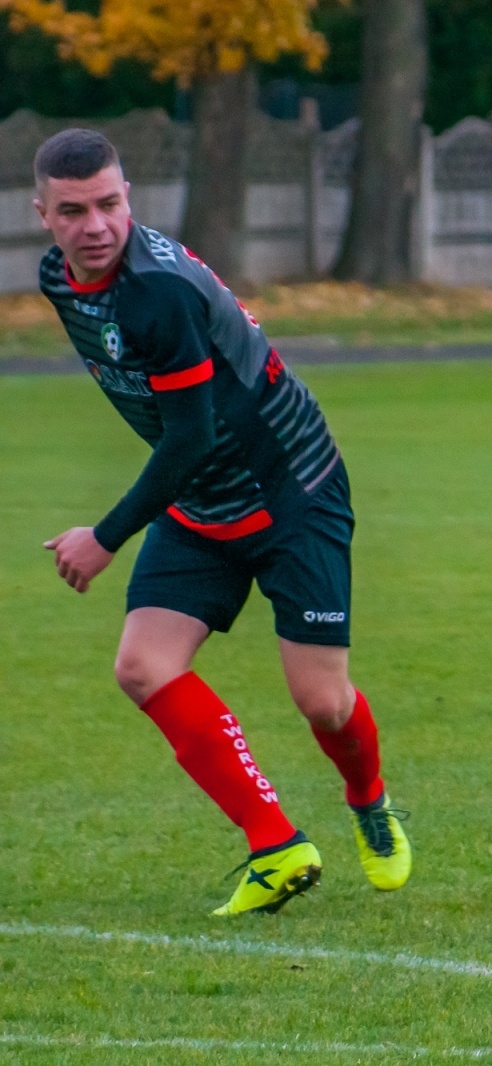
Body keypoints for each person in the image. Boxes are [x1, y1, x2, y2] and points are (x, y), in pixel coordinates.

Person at [31, 128, 412, 916]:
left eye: (109, 203)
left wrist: (104, 537)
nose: (96, 224)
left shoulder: (155, 292)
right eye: (74, 210)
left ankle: (369, 801)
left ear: (128, 195)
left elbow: (193, 434)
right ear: (45, 215)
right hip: (203, 502)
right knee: (143, 666)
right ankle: (276, 844)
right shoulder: (60, 281)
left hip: (291, 492)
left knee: (323, 703)